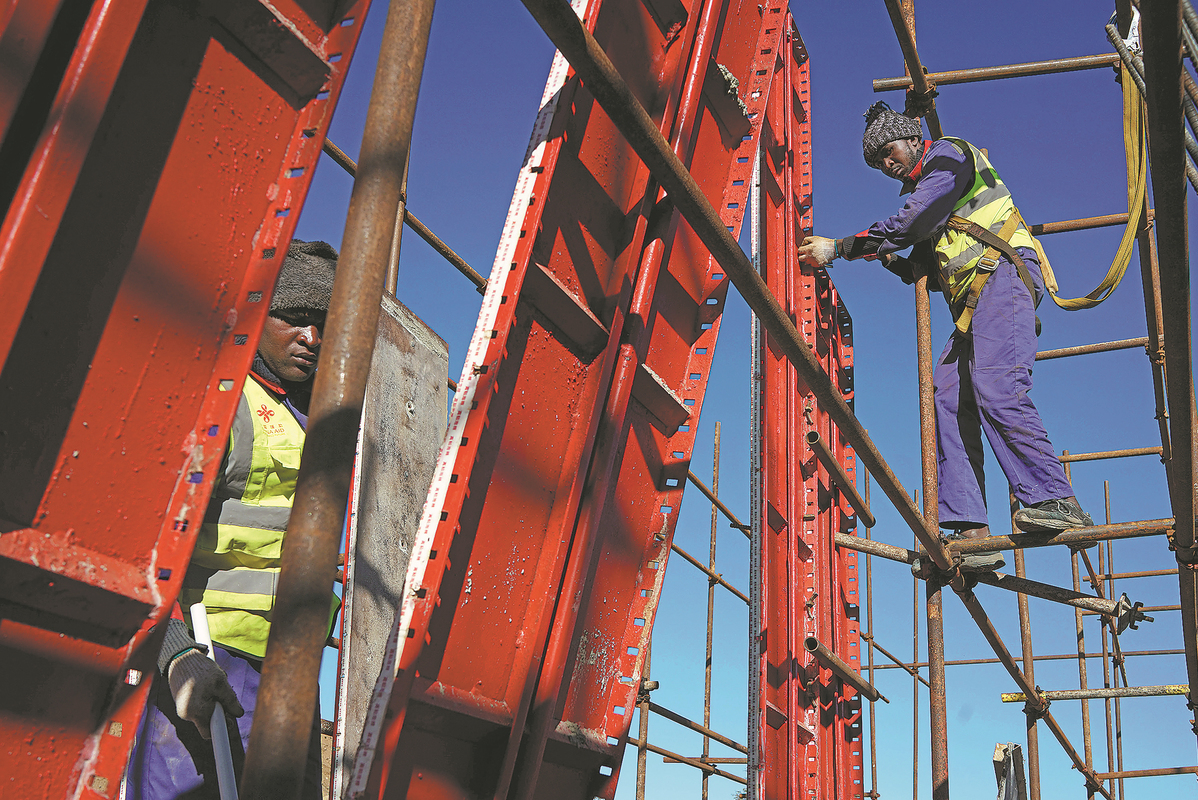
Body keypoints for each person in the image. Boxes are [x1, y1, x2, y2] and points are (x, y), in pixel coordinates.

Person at [797, 102, 1091, 572]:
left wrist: (842, 247)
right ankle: (972, 531)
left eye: (889, 151)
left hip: (1002, 279)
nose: (887, 164)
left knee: (998, 386)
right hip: (977, 302)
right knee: (948, 397)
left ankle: (1055, 499)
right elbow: (927, 266)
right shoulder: (936, 199)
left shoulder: (948, 156)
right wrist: (890, 258)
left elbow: (915, 219)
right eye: (878, 162)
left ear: (914, 138)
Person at [126, 239, 339, 799]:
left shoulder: (320, 420)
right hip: (211, 666)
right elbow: (142, 547)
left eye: (324, 324)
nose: (311, 337)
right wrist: (177, 657)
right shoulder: (224, 402)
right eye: (295, 317)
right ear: (260, 313)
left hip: (292, 674)